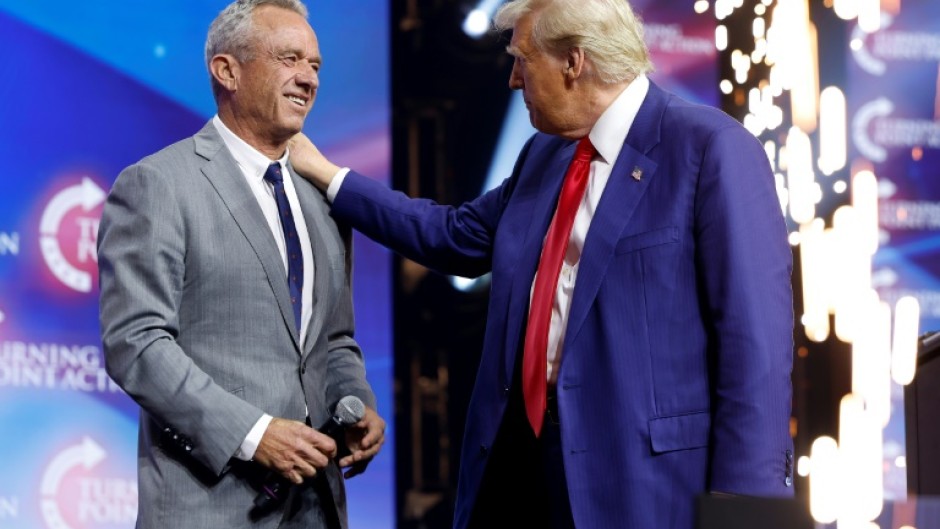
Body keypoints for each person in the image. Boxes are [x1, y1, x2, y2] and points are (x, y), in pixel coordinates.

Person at [291, 0, 796, 527]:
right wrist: (328, 176)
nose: (513, 80)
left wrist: (747, 513)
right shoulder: (543, 155)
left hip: (644, 485)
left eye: (522, 59)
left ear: (574, 62)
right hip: (521, 469)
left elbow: (755, 345)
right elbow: (453, 237)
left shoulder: (710, 148)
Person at [97, 1, 385, 528]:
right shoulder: (159, 184)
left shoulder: (321, 198)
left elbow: (335, 339)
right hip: (210, 505)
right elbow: (135, 342)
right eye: (290, 59)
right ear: (227, 70)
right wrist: (253, 434)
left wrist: (354, 401)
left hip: (317, 506)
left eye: (316, 66)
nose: (307, 79)